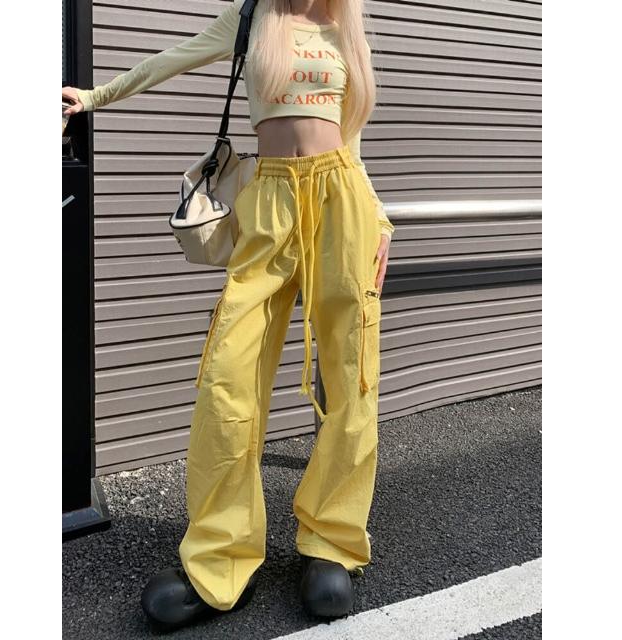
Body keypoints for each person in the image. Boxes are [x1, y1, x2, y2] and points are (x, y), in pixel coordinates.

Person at [63, 0, 395, 632]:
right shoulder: (252, 18)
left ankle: (332, 542)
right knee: (228, 378)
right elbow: (170, 60)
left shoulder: (343, 29)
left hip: (343, 201)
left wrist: (378, 218)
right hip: (268, 200)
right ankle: (221, 559)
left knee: (352, 376)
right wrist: (94, 97)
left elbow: (352, 139)